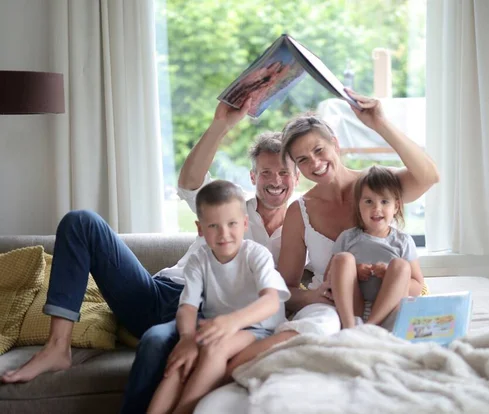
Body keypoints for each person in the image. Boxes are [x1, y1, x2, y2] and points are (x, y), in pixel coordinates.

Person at [0, 99, 310, 414]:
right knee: (81, 222)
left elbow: (287, 292)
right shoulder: (230, 208)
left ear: (297, 178)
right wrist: (221, 124)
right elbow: (190, 184)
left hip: (206, 314)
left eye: (284, 172)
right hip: (158, 292)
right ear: (253, 176)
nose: (275, 180)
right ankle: (57, 346)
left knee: (155, 342)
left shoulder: (303, 230)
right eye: (266, 172)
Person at [226, 88, 439, 371]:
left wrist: (379, 124)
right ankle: (228, 370)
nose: (314, 163)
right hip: (329, 309)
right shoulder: (300, 211)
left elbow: (429, 176)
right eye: (302, 159)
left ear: (335, 144)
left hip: (384, 305)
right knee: (317, 327)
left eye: (318, 150)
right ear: (296, 167)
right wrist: (312, 296)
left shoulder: (376, 187)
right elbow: (285, 287)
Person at [147, 180, 289, 414]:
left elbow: (271, 301)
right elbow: (188, 308)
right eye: (213, 226)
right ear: (200, 229)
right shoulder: (198, 260)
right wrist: (186, 339)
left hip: (257, 330)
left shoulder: (256, 255)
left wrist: (232, 322)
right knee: (180, 364)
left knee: (215, 349)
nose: (223, 234)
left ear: (244, 223)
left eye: (232, 224)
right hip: (216, 329)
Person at [326, 165, 424, 329]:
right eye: (369, 201)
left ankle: (370, 327)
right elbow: (329, 279)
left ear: (397, 206)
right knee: (343, 259)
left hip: (388, 312)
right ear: (359, 205)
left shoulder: (403, 241)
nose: (376, 208)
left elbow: (417, 287)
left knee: (401, 266)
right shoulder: (348, 237)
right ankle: (350, 327)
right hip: (352, 310)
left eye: (384, 201)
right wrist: (354, 271)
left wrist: (389, 274)